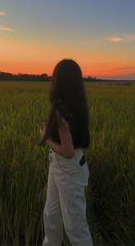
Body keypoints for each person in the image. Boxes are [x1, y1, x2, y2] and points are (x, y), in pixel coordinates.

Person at [39, 59, 94, 246]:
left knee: (75, 227)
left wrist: (47, 138)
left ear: (58, 81)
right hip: (62, 166)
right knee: (51, 215)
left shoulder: (61, 110)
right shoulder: (77, 105)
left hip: (68, 167)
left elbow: (67, 151)